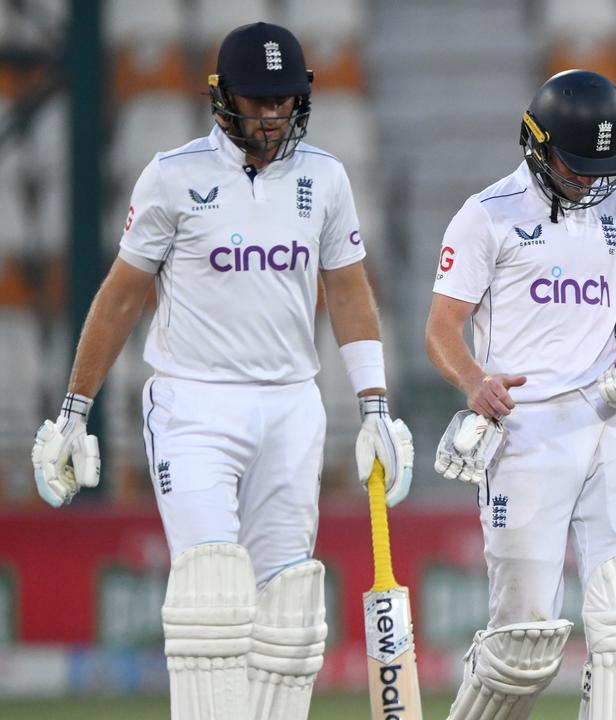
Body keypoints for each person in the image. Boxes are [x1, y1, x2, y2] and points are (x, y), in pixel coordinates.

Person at [29, 22, 414, 720]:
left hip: (292, 404)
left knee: (288, 607)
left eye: (283, 100)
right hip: (193, 405)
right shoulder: (172, 177)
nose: (270, 114)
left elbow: (350, 289)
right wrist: (74, 410)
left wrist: (376, 405)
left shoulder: (324, 177)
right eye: (256, 99)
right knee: (212, 591)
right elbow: (120, 296)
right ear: (222, 97)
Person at [428, 69, 616, 720]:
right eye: (576, 165)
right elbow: (441, 328)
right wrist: (474, 381)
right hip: (527, 430)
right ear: (535, 143)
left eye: (602, 165)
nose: (591, 180)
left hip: (612, 421)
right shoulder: (487, 217)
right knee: (522, 647)